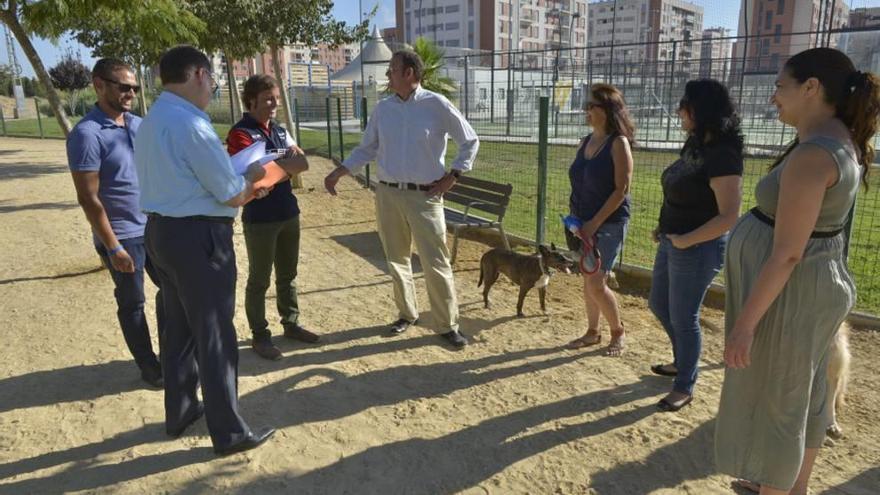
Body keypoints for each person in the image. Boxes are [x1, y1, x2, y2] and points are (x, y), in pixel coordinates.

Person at [715, 47, 876, 494]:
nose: (773, 98)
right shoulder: (835, 140)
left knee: (784, 403)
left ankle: (778, 487)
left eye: (779, 87)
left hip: (796, 293)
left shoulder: (814, 155)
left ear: (811, 88)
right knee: (806, 396)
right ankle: (789, 485)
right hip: (812, 288)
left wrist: (745, 325)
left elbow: (787, 253)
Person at [134, 45, 274, 455]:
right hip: (199, 240)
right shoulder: (191, 125)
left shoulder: (153, 118)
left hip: (161, 233)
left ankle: (180, 411)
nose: (213, 86)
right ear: (196, 74)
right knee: (214, 335)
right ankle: (229, 432)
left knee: (177, 329)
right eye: (212, 78)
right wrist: (252, 176)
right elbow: (231, 194)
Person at [323, 49, 479, 349]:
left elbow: (470, 140)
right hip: (388, 193)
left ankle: (447, 324)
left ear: (409, 73)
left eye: (392, 69)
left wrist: (453, 176)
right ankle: (407, 313)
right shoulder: (383, 109)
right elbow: (368, 147)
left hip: (426, 196)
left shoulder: (437, 104)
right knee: (397, 259)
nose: (387, 75)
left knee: (435, 262)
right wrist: (340, 170)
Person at [67, 58, 164, 388]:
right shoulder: (86, 134)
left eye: (134, 88)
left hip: (153, 228)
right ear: (99, 85)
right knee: (133, 303)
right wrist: (113, 246)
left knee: (173, 291)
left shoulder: (137, 124)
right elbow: (88, 198)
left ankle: (172, 354)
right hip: (123, 237)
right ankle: (149, 365)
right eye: (124, 87)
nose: (131, 93)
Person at [648, 79, 743, 412]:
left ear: (700, 110)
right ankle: (682, 360)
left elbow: (729, 215)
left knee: (684, 316)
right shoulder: (696, 145)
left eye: (684, 105)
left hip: (698, 247)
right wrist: (666, 227)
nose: (679, 111)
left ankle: (685, 384)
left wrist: (686, 239)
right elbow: (684, 191)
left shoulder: (723, 155)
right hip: (673, 240)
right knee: (659, 304)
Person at [226, 74, 317, 361]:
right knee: (259, 279)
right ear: (251, 101)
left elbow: (302, 162)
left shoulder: (279, 130)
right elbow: (254, 175)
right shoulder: (240, 133)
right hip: (260, 218)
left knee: (288, 275)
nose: (274, 103)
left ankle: (290, 324)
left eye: (276, 98)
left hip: (288, 212)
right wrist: (283, 165)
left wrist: (273, 168)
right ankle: (260, 336)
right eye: (268, 99)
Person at [564, 84, 634, 357]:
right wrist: (577, 220)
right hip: (582, 222)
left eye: (591, 106)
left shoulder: (618, 143)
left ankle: (618, 331)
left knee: (596, 282)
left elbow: (621, 190)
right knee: (589, 277)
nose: (586, 110)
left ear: (606, 110)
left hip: (609, 223)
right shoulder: (585, 141)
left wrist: (593, 223)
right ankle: (592, 332)